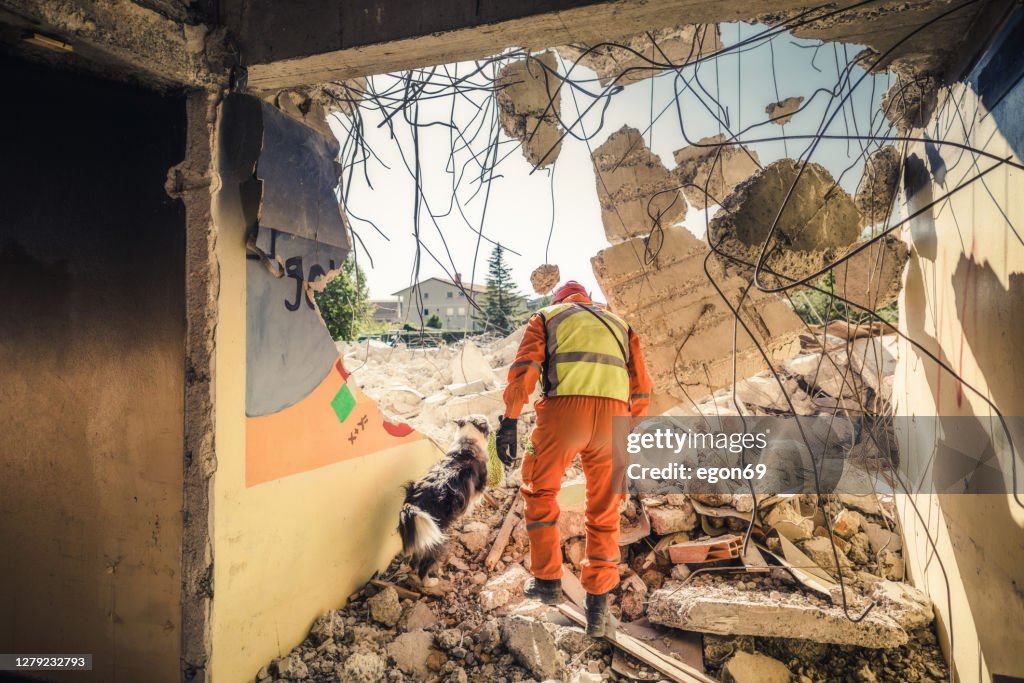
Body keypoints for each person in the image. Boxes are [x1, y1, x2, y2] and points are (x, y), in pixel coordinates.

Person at [495, 280, 652, 637]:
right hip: (614, 421)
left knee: (539, 491)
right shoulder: (620, 325)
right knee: (605, 509)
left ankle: (548, 581)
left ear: (559, 299)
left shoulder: (547, 316)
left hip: (564, 416)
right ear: (588, 300)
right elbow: (642, 387)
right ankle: (597, 605)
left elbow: (526, 370)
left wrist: (509, 420)